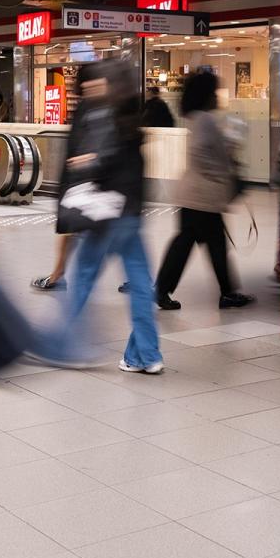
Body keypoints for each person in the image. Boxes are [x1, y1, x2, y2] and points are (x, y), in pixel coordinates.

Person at [35, 60, 163, 373]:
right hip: (131, 214)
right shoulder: (133, 117)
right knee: (141, 285)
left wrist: (85, 162)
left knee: (83, 277)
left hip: (106, 215)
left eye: (98, 82)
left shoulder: (105, 115)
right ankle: (146, 355)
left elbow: (102, 159)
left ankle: (66, 346)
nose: (92, 88)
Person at [155, 70, 254, 310]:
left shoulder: (196, 118)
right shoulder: (206, 120)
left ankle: (226, 292)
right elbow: (204, 152)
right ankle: (163, 289)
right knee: (195, 245)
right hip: (202, 196)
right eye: (215, 91)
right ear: (207, 94)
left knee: (207, 244)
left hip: (195, 195)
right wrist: (224, 166)